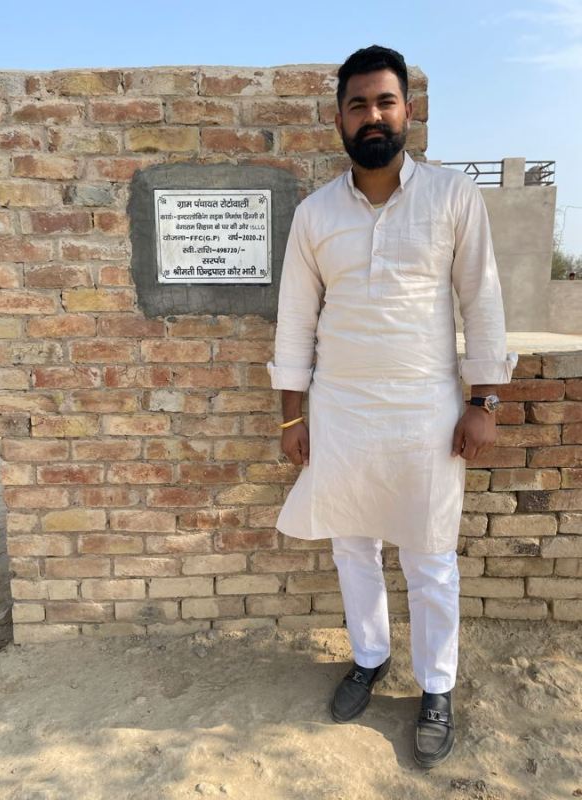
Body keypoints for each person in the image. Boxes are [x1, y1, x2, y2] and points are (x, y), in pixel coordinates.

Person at [267, 45, 518, 769]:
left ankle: (437, 687)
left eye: (385, 102)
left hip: (426, 411)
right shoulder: (315, 214)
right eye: (358, 104)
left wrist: (484, 401)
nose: (372, 115)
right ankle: (370, 657)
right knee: (352, 545)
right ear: (339, 120)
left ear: (408, 111)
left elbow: (482, 301)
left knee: (430, 554)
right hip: (341, 411)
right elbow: (295, 321)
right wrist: (292, 416)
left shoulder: (452, 197)